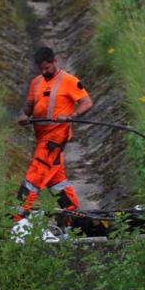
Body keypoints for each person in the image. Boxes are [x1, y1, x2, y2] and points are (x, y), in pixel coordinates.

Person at [16, 46, 93, 218]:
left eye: (47, 68)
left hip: (56, 137)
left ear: (55, 62)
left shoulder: (69, 81)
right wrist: (23, 115)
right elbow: (29, 105)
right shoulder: (36, 82)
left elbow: (87, 103)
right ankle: (73, 217)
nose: (44, 72)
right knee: (56, 181)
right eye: (41, 69)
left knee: (34, 177)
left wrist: (71, 115)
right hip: (41, 136)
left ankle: (17, 218)